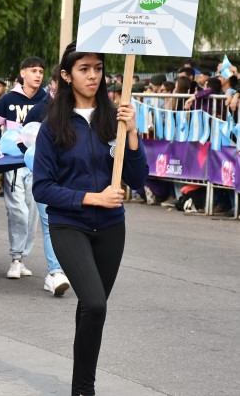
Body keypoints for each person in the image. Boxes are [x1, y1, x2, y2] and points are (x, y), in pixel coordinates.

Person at [32, 41, 148, 396]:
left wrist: (131, 136)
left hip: (112, 227)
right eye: (84, 69)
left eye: (98, 68)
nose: (93, 75)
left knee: (91, 308)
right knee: (95, 302)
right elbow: (42, 188)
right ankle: (85, 389)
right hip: (70, 225)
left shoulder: (115, 119)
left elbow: (139, 180)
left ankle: (80, 387)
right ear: (67, 76)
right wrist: (90, 197)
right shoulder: (52, 126)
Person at [0, 56, 47, 278]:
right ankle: (15, 258)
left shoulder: (48, 101)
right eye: (33, 70)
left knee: (32, 212)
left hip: (39, 163)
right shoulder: (7, 100)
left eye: (41, 72)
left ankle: (22, 256)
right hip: (14, 163)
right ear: (22, 73)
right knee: (18, 210)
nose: (37, 75)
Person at [22, 65, 71, 295]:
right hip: (46, 175)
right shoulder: (39, 110)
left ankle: (70, 267)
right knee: (49, 221)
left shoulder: (83, 109)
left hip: (74, 176)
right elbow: (23, 140)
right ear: (54, 83)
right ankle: (55, 272)